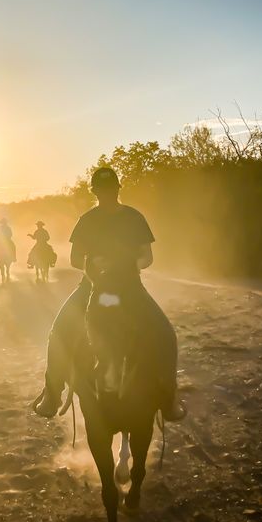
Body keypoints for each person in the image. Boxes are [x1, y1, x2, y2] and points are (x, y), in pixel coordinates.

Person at [33, 166, 186, 421]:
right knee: (59, 331)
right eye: (101, 191)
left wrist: (126, 266)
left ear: (117, 189)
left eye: (109, 190)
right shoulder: (87, 220)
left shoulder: (134, 218)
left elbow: (147, 257)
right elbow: (74, 259)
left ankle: (168, 398)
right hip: (92, 287)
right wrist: (95, 267)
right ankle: (53, 393)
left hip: (130, 288)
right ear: (95, 193)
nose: (105, 195)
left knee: (166, 335)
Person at [0, 218, 16, 284]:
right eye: (3, 222)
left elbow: (11, 234)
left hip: (7, 240)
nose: (4, 223)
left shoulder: (8, 228)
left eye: (4, 222)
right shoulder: (0, 229)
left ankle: (13, 257)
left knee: (13, 246)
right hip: (1, 241)